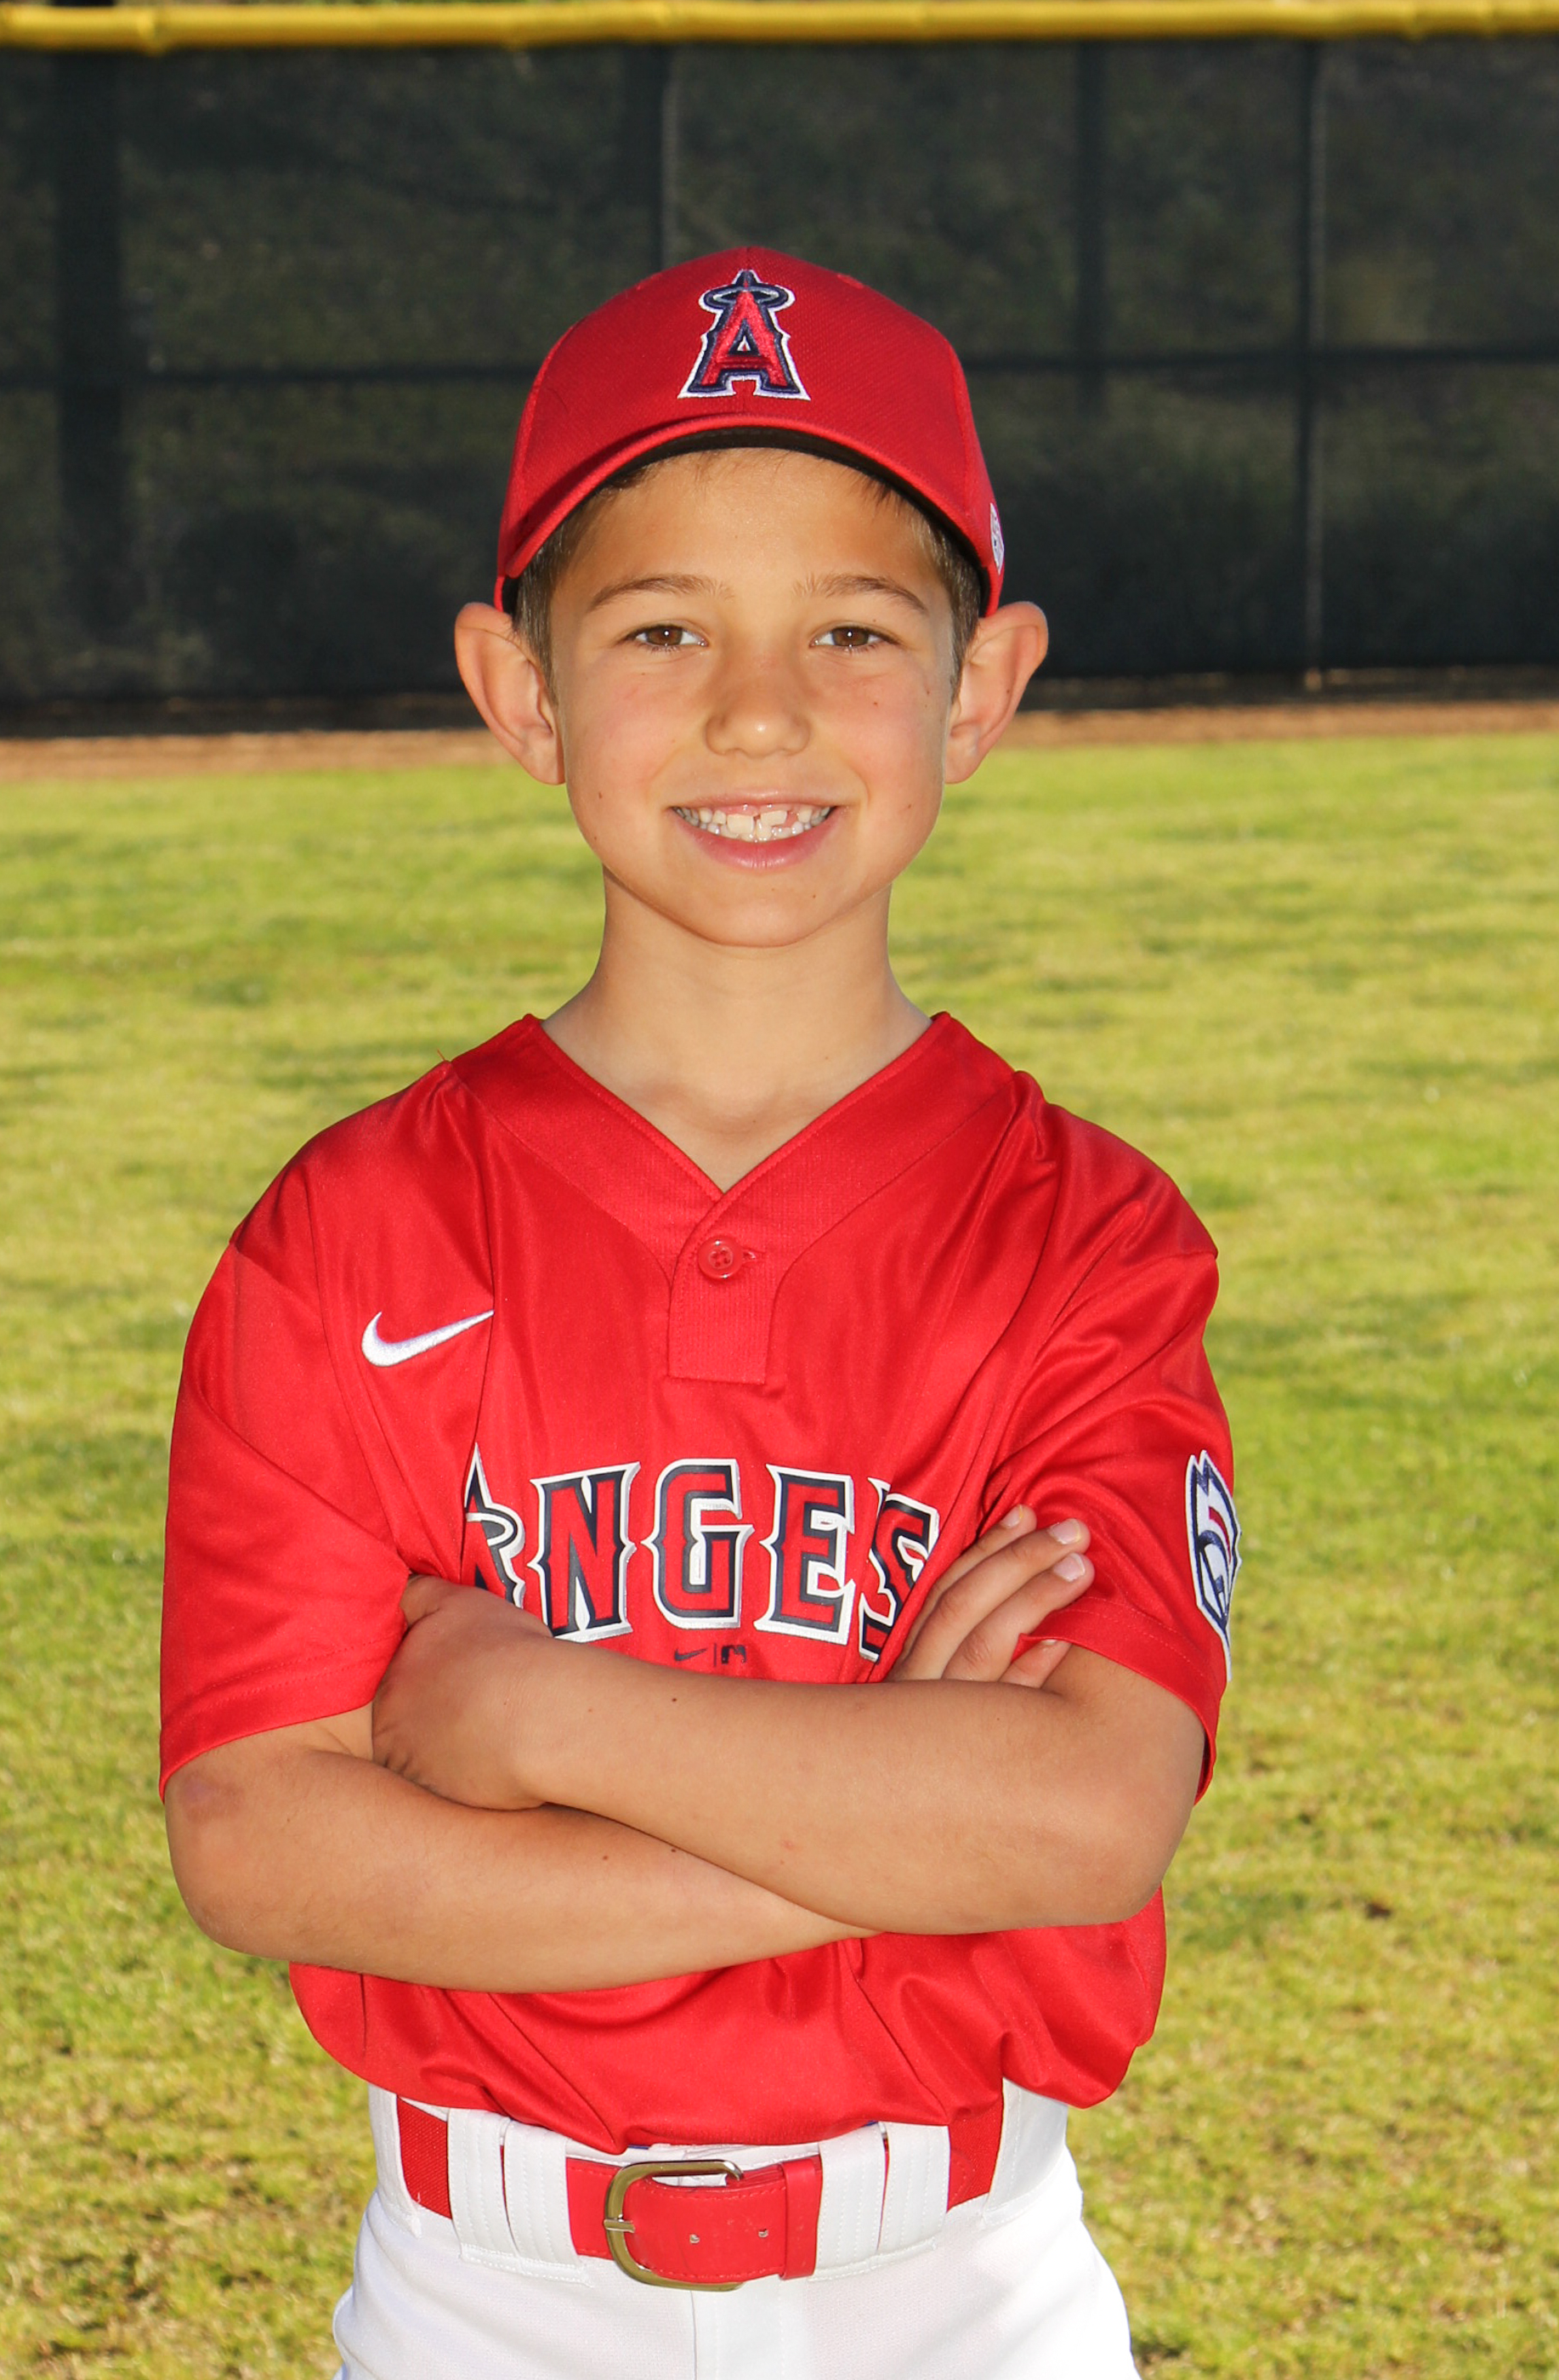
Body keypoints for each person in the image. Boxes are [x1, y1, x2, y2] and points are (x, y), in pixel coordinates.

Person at [160, 249, 1240, 2380]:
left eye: (853, 629)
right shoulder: (352, 1228)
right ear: (520, 688)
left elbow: (1085, 1813)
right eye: (662, 629)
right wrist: (881, 1820)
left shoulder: (1087, 1236)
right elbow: (262, 1837)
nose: (759, 711)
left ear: (981, 685)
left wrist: (530, 1716)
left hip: (965, 2286)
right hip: (487, 2293)